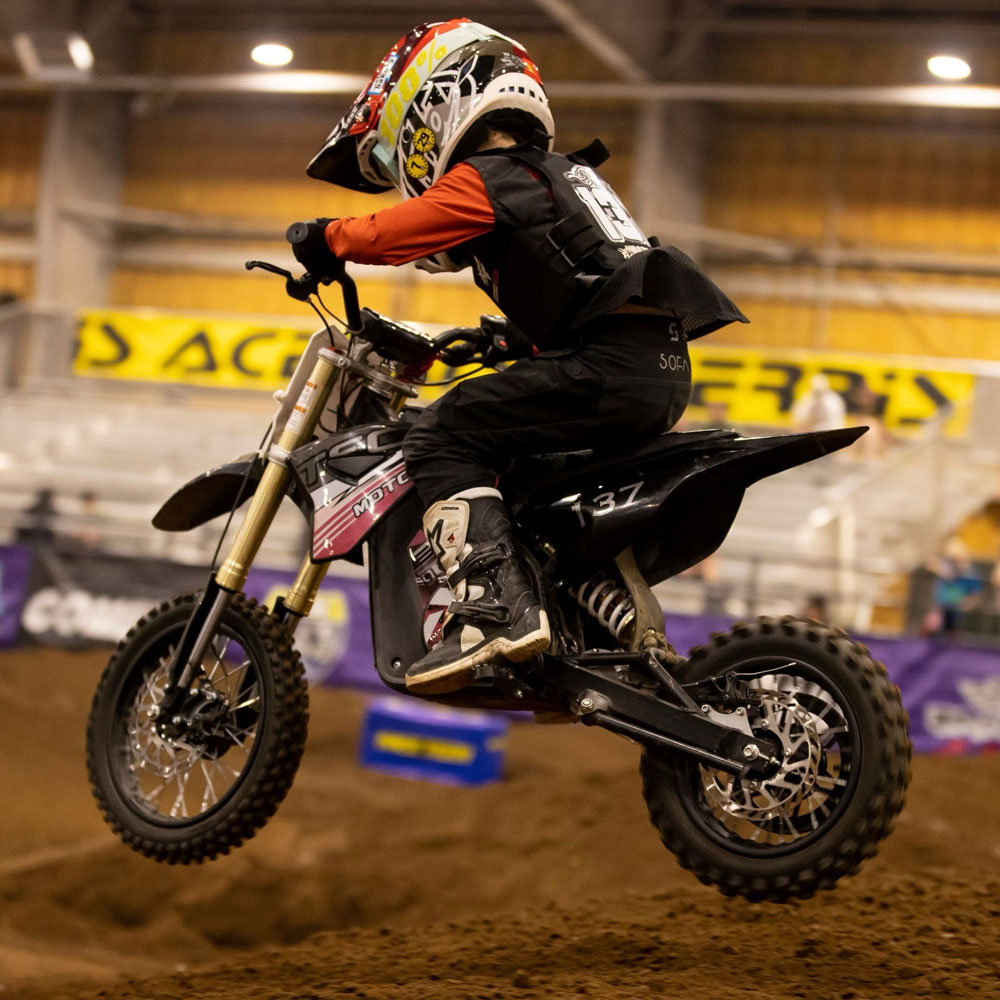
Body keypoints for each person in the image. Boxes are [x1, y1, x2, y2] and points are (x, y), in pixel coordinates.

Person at [296, 18, 747, 694]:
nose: (400, 176)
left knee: (442, 434)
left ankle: (495, 612)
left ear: (433, 107)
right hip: (652, 369)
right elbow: (589, 278)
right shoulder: (560, 176)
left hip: (607, 368)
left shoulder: (493, 175)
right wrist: (499, 340)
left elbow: (391, 234)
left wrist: (326, 237)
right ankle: (594, 601)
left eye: (394, 157)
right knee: (521, 471)